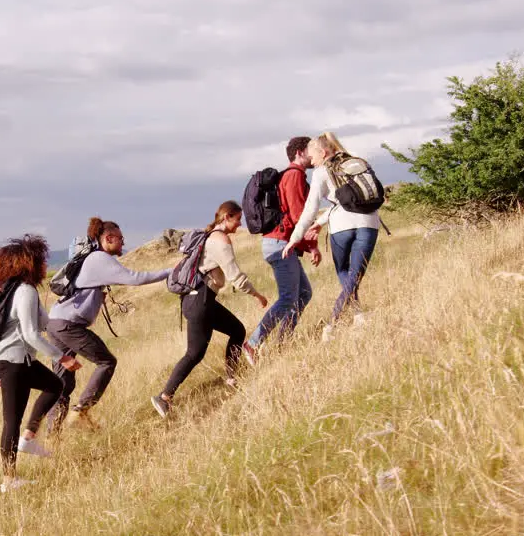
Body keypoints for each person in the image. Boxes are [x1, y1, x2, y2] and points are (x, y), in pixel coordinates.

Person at [48, 217, 171, 431]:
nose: (123, 243)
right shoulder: (99, 258)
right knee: (106, 362)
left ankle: (52, 435)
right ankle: (81, 411)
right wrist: (170, 271)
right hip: (69, 325)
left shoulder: (91, 259)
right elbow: (135, 278)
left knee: (62, 383)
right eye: (121, 239)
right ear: (108, 238)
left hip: (55, 322)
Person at [0, 234, 82, 492]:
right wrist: (62, 357)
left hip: (10, 361)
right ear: (29, 263)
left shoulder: (7, 289)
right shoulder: (24, 291)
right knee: (11, 420)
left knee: (54, 385)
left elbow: (45, 323)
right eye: (41, 260)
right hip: (13, 361)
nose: (44, 266)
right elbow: (29, 333)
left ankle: (28, 438)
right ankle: (9, 479)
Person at [151, 201, 268, 417]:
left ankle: (232, 377)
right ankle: (164, 397)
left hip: (201, 299)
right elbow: (235, 276)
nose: (238, 224)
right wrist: (257, 295)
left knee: (237, 330)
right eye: (237, 219)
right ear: (226, 217)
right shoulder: (220, 240)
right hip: (200, 301)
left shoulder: (210, 236)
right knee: (195, 353)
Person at [283, 132, 384, 333]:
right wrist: (320, 223)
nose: (311, 162)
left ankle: (332, 322)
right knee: (354, 276)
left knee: (344, 273)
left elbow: (310, 209)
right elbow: (350, 201)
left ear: (322, 152)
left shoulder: (321, 172)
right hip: (370, 223)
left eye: (312, 157)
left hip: (341, 228)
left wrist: (294, 239)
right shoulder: (358, 162)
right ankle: (357, 316)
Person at [247, 136, 322, 355]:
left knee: (304, 293)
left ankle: (283, 343)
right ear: (300, 152)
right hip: (280, 243)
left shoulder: (290, 176)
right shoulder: (294, 176)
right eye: (310, 150)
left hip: (278, 243)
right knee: (288, 298)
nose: (313, 154)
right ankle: (252, 344)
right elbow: (300, 215)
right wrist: (312, 245)